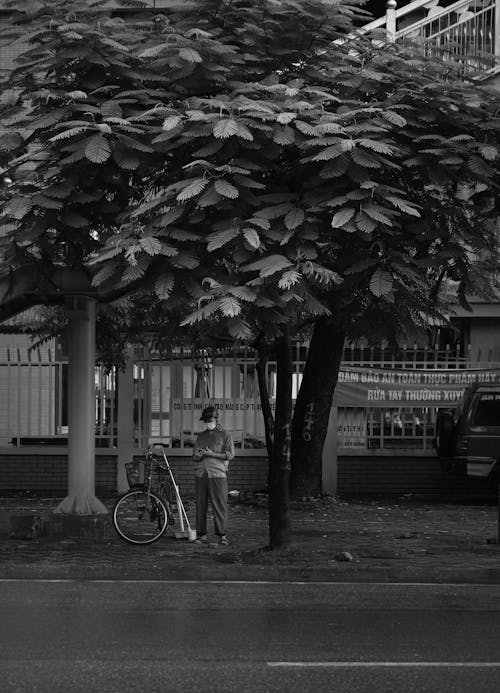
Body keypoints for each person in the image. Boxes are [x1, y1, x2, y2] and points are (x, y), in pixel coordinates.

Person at [192, 405, 234, 545]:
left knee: (220, 505)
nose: (207, 423)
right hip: (201, 474)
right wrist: (198, 456)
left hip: (218, 474)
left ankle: (222, 535)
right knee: (200, 505)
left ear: (216, 419)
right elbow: (194, 456)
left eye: (209, 420)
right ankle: (201, 534)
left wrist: (211, 454)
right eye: (205, 421)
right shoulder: (201, 436)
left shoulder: (225, 435)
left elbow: (230, 454)